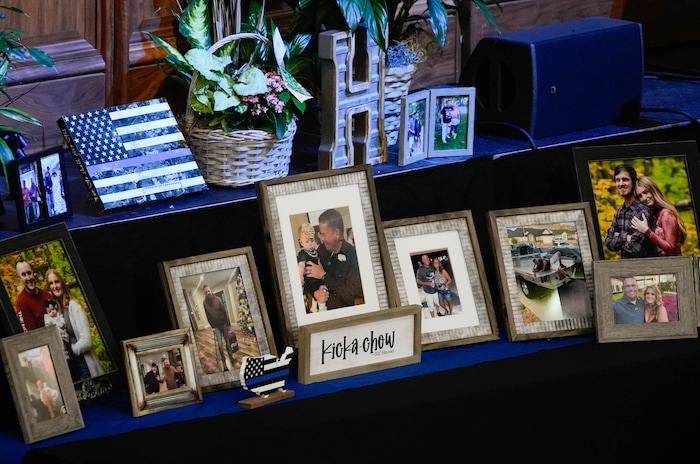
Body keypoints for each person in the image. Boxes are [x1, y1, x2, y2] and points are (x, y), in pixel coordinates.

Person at [45, 268, 105, 381]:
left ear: (62, 283)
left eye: (57, 282)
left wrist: (71, 351)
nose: (55, 286)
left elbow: (87, 341)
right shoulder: (57, 311)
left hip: (84, 363)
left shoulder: (74, 307)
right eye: (51, 283)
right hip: (72, 366)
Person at [305, 208, 363, 310]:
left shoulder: (353, 255)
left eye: (324, 234)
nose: (321, 238)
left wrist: (324, 276)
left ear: (337, 233)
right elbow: (306, 282)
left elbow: (349, 295)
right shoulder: (321, 250)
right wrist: (315, 293)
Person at [604, 164, 657, 258]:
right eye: (618, 180)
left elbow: (636, 249)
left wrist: (618, 236)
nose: (621, 184)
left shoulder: (643, 211)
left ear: (633, 181)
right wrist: (627, 237)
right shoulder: (619, 213)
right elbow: (608, 243)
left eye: (625, 179)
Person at [631, 175, 686, 256]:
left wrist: (647, 231)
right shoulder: (653, 215)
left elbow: (671, 249)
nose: (644, 198)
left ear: (653, 190)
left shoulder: (666, 214)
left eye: (646, 192)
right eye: (640, 196)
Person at [202, 284, 235, 372]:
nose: (208, 293)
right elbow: (207, 315)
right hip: (216, 327)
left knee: (227, 342)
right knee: (220, 345)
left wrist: (228, 324)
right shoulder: (204, 303)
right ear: (204, 293)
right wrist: (212, 326)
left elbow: (224, 312)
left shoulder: (218, 299)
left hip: (223, 325)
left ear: (211, 290)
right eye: (206, 292)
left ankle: (230, 356)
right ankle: (224, 361)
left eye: (208, 291)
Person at [297, 223, 326, 313]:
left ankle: (317, 306)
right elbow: (301, 265)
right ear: (301, 242)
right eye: (307, 242)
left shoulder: (316, 251)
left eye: (311, 240)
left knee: (322, 289)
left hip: (318, 278)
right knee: (316, 292)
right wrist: (300, 275)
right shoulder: (303, 254)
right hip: (310, 280)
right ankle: (320, 307)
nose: (310, 244)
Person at [15, 261, 53, 331]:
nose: (28, 278)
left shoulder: (47, 295)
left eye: (29, 273)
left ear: (33, 273)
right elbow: (31, 333)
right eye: (24, 275)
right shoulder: (21, 303)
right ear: (19, 278)